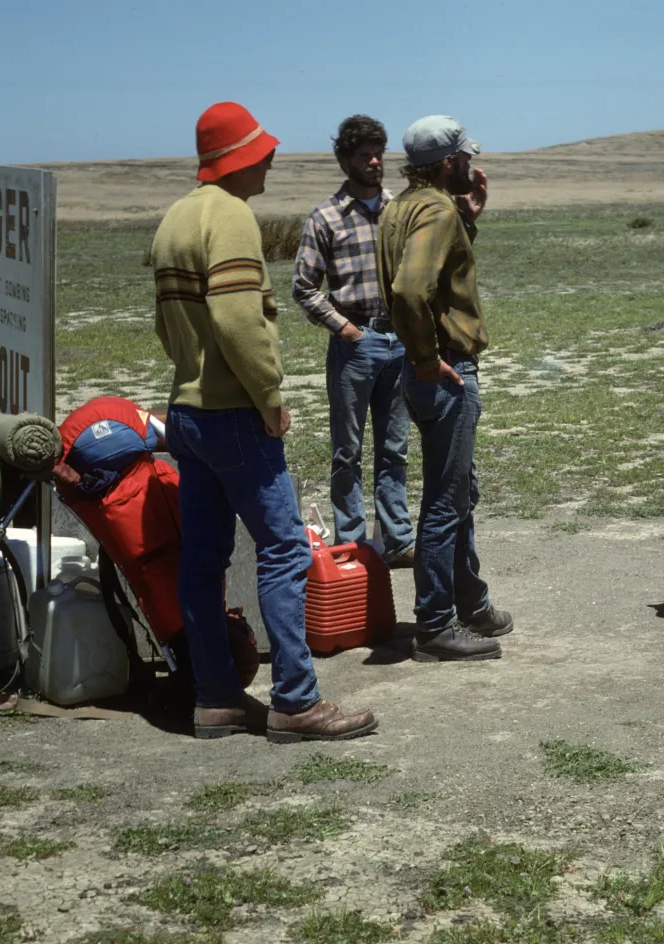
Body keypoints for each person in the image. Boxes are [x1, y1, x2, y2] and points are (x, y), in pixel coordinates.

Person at [151, 101, 377, 743]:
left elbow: (166, 327)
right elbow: (238, 321)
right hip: (234, 412)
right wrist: (268, 394)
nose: (272, 160)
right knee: (282, 551)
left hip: (186, 411)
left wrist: (195, 372)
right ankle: (296, 702)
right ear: (240, 157)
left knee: (202, 559)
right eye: (264, 151)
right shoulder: (230, 217)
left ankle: (216, 695)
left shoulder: (175, 219)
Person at [376, 115, 514, 662]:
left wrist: (469, 223)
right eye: (465, 158)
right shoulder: (434, 209)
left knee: (457, 494)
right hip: (445, 370)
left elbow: (430, 280)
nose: (472, 167)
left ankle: (471, 602)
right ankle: (434, 625)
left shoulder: (401, 207)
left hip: (423, 369)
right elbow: (412, 290)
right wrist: (430, 359)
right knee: (444, 501)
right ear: (448, 162)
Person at [293, 115, 415, 566]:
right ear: (344, 160)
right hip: (355, 343)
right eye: (364, 154)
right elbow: (303, 286)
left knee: (395, 448)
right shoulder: (326, 216)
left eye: (378, 152)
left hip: (400, 340)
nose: (374, 161)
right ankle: (352, 542)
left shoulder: (398, 211)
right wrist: (345, 328)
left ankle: (398, 540)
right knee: (348, 451)